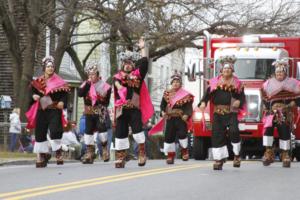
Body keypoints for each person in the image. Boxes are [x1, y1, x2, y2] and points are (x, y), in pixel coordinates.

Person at [198, 55, 245, 170]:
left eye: (229, 69)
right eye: (224, 69)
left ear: (232, 70)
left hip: (231, 112)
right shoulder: (214, 82)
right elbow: (206, 96)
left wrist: (239, 101)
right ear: (221, 70)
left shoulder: (238, 83)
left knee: (234, 131)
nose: (226, 71)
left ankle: (237, 155)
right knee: (217, 135)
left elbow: (242, 97)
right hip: (218, 112)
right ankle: (219, 159)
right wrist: (203, 103)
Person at [113, 38, 154, 168]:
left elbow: (144, 64)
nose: (128, 65)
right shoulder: (117, 77)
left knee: (137, 131)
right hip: (121, 108)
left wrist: (143, 49)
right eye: (126, 63)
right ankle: (121, 156)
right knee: (120, 132)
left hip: (134, 108)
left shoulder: (138, 75)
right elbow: (116, 86)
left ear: (133, 65)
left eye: (130, 63)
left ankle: (142, 152)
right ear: (122, 65)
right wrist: (118, 85)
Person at [26, 56, 70, 168]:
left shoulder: (59, 81)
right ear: (44, 68)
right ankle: (42, 154)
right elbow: (30, 94)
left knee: (55, 131)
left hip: (54, 109)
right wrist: (33, 96)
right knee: (40, 133)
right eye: (48, 66)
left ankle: (58, 151)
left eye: (52, 66)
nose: (50, 68)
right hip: (42, 110)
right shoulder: (38, 82)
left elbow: (65, 95)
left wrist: (62, 102)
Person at [261, 59, 300, 168]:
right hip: (271, 112)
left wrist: (288, 106)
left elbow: (297, 99)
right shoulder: (268, 83)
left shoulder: (293, 83)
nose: (279, 74)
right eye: (277, 72)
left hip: (284, 112)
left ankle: (285, 153)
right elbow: (264, 98)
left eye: (281, 72)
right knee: (267, 129)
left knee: (284, 129)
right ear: (275, 73)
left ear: (285, 72)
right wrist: (267, 107)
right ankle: (268, 152)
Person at [78, 63, 111, 164]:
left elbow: (107, 102)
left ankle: (105, 148)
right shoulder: (86, 84)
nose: (91, 76)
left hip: (100, 110)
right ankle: (90, 153)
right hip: (89, 111)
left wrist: (101, 100)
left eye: (93, 74)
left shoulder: (105, 86)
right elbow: (80, 94)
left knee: (102, 130)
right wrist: (88, 84)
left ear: (97, 74)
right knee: (88, 131)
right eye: (89, 74)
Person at [159, 72, 194, 164]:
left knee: (182, 134)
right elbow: (162, 105)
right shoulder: (167, 94)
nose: (175, 83)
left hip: (181, 118)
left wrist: (187, 114)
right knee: (169, 137)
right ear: (171, 83)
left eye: (177, 82)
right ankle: (170, 155)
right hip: (170, 118)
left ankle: (184, 151)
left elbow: (189, 107)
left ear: (180, 83)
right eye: (173, 82)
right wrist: (162, 112)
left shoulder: (185, 95)